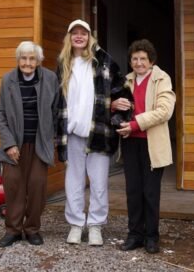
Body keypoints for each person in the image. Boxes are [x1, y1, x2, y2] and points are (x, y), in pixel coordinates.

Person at [56, 19, 125, 246]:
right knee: (73, 180)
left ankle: (95, 225)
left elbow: (121, 90)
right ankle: (76, 224)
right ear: (69, 37)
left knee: (98, 182)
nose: (79, 36)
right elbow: (57, 102)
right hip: (73, 132)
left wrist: (115, 109)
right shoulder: (63, 63)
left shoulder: (104, 61)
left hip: (99, 132)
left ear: (89, 36)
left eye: (83, 33)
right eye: (74, 33)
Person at [114, 39, 175, 254]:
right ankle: (135, 235)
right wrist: (114, 106)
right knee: (133, 191)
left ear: (151, 61)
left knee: (150, 192)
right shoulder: (126, 81)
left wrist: (134, 124)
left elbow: (164, 111)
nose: (139, 63)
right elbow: (115, 106)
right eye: (135, 59)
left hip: (152, 144)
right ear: (130, 61)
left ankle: (151, 237)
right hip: (131, 143)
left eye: (143, 59)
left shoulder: (162, 79)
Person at [0, 41, 59, 248]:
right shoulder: (8, 80)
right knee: (13, 185)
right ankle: (13, 230)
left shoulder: (50, 78)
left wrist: (54, 139)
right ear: (18, 60)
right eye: (23, 58)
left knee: (37, 186)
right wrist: (8, 144)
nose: (27, 62)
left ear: (39, 60)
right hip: (15, 145)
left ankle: (32, 229)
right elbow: (0, 113)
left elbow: (57, 111)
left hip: (40, 143)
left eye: (32, 58)